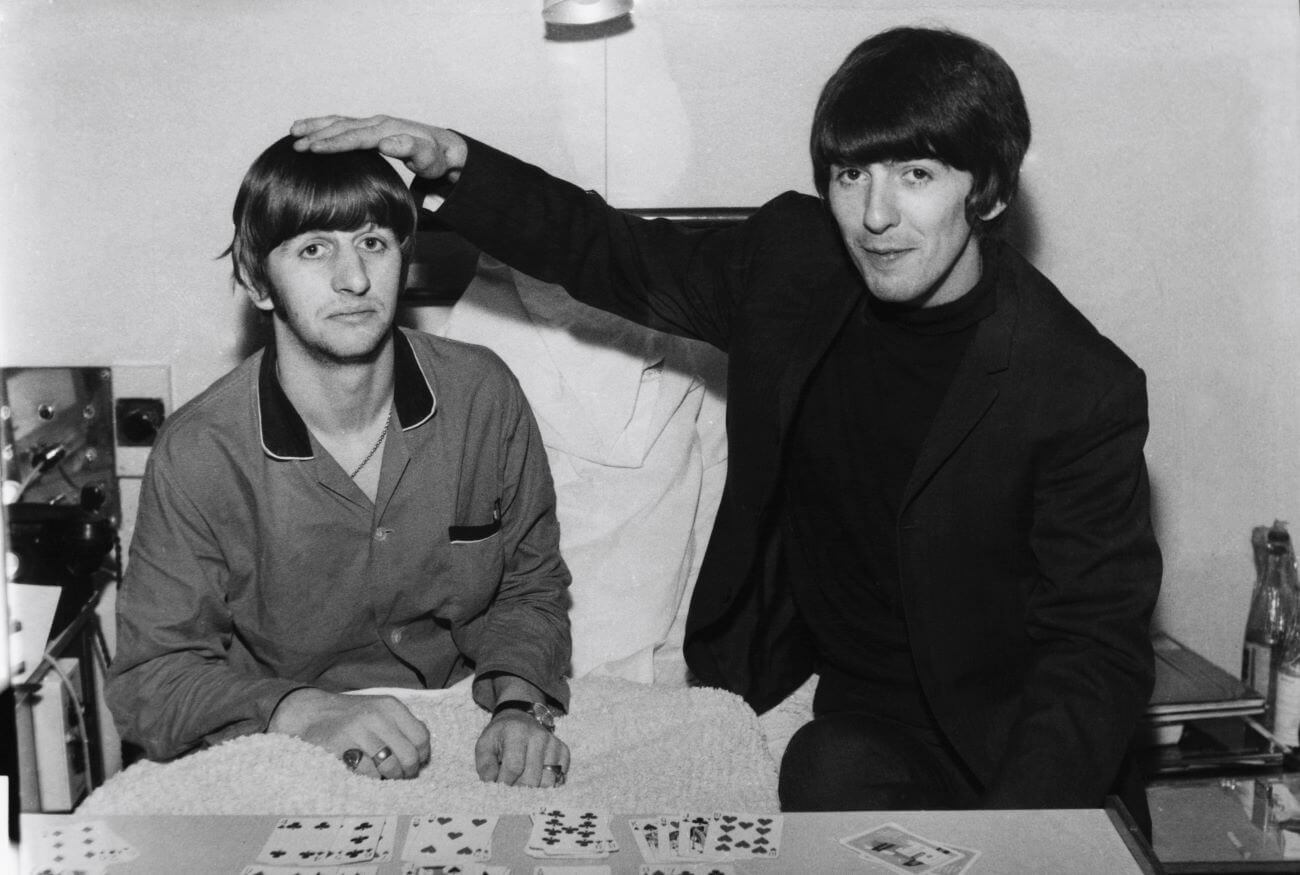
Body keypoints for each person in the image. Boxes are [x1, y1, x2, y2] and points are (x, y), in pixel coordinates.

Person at [291, 24, 1161, 821]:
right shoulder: (796, 261)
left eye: (918, 175)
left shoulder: (1079, 387)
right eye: (852, 174)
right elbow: (611, 252)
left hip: (1017, 733)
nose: (877, 215)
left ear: (993, 191)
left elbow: (1093, 653)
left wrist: (1021, 839)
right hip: (868, 724)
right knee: (822, 770)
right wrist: (453, 164)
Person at [107, 135, 573, 787]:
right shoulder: (199, 451)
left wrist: (521, 702)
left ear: (402, 261)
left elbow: (531, 583)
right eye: (314, 248)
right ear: (256, 281)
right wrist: (300, 710)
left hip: (463, 723)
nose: (353, 279)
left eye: (373, 243)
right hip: (282, 736)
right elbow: (150, 677)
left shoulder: (482, 394)